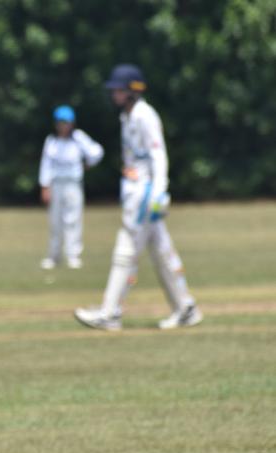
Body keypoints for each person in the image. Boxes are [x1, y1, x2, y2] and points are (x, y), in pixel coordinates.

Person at [74, 64, 202, 330]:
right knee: (161, 252)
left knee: (125, 251)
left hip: (145, 195)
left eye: (119, 90)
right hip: (134, 193)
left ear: (133, 90)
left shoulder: (145, 115)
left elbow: (158, 155)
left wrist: (159, 192)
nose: (114, 95)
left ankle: (110, 314)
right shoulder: (127, 116)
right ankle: (185, 308)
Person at [38, 105, 104, 270]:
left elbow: (96, 152)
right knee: (55, 221)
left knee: (73, 220)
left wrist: (86, 164)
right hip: (56, 185)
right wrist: (45, 186)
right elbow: (46, 165)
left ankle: (73, 256)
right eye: (60, 122)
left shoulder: (78, 138)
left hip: (73, 184)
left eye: (66, 122)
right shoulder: (51, 141)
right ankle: (54, 256)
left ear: (71, 123)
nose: (63, 126)